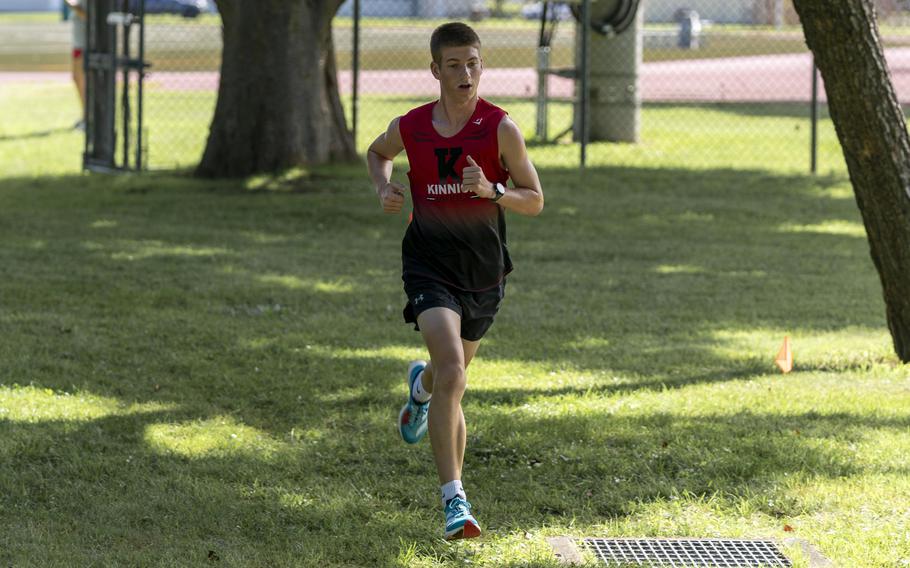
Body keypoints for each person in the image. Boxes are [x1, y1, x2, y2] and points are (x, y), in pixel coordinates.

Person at [366, 22, 544, 540]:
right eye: (453, 65)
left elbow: (534, 199)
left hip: (483, 275)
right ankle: (455, 501)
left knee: (448, 378)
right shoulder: (412, 125)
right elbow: (377, 154)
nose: (465, 74)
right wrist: (384, 189)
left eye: (472, 63)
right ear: (435, 71)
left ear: (481, 66)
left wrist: (493, 190)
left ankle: (419, 391)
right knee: (454, 372)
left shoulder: (500, 129)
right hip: (428, 265)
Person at [65, 0, 87, 131]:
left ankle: (89, 118)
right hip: (80, 42)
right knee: (77, 78)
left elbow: (88, 16)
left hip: (85, 43)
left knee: (82, 79)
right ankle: (86, 116)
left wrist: (71, 4)